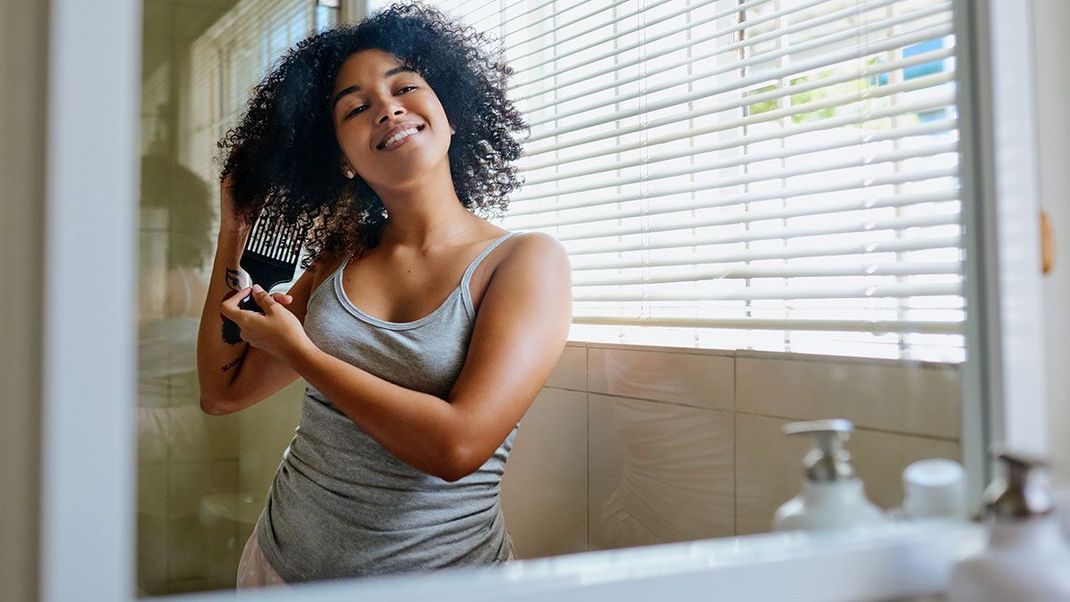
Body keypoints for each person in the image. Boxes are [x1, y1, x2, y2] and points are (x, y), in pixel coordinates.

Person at [195, 2, 571, 588]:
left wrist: (302, 353)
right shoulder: (339, 257)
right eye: (356, 106)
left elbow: (457, 446)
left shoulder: (525, 262)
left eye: (405, 87)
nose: (388, 108)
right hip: (280, 567)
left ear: (452, 115)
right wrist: (234, 229)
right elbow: (222, 393)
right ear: (341, 159)